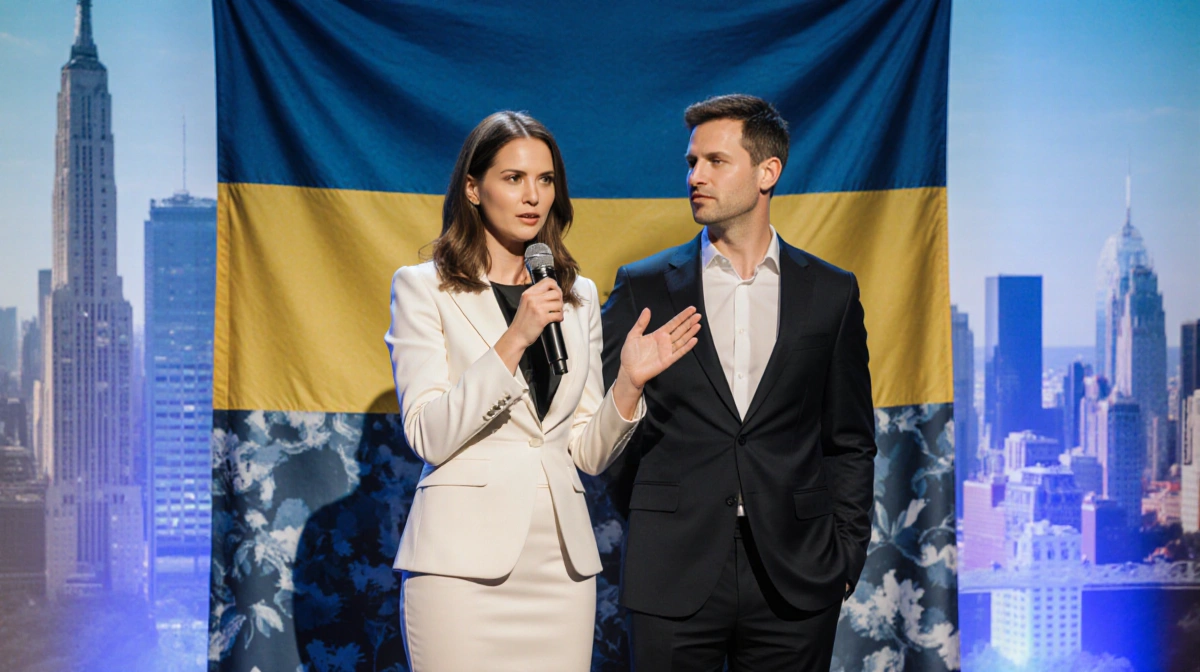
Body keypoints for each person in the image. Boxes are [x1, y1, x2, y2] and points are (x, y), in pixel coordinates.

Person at [385, 110, 701, 672]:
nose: (533, 196)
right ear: (472, 189)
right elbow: (428, 434)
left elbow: (587, 453)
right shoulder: (423, 287)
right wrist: (515, 338)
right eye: (513, 178)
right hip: (460, 569)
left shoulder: (575, 293)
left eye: (546, 179)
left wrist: (628, 384)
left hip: (561, 569)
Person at [601, 94, 876, 670]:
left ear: (767, 172)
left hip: (797, 575)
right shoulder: (643, 286)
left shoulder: (831, 292)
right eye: (691, 162)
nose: (694, 177)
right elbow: (609, 425)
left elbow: (848, 440)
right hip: (671, 571)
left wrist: (845, 557)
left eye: (715, 162)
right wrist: (658, 516)